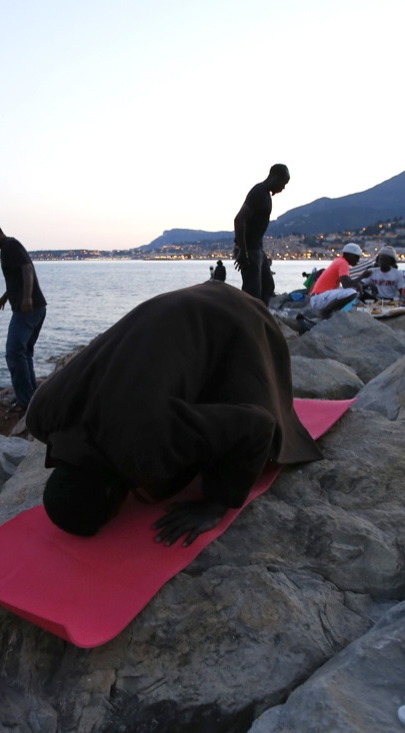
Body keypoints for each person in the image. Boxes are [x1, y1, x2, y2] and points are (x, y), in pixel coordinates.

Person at [25, 284, 323, 547]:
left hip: (239, 318)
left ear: (111, 493)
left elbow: (258, 426)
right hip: (181, 303)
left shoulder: (146, 440)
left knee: (258, 416)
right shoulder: (40, 415)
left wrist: (216, 504)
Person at [0, 218, 47, 411]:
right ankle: (32, 397)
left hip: (29, 309)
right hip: (35, 308)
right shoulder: (7, 248)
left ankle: (25, 401)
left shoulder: (10, 245)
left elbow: (27, 269)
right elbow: (16, 278)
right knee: (24, 353)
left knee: (14, 352)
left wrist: (26, 298)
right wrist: (4, 297)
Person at [233, 164, 290, 305]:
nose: (283, 188)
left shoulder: (265, 194)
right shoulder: (258, 193)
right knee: (252, 294)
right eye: (283, 183)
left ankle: (261, 317)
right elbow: (239, 220)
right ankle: (247, 321)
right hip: (249, 250)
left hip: (257, 249)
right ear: (276, 177)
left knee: (268, 287)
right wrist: (243, 251)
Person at [308, 243, 364, 317]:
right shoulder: (343, 263)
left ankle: (335, 311)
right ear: (348, 255)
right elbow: (346, 284)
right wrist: (361, 278)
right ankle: (325, 313)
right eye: (356, 257)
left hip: (319, 297)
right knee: (352, 292)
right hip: (319, 299)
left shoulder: (339, 261)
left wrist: (358, 284)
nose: (358, 260)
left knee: (352, 290)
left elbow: (348, 282)